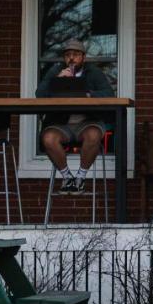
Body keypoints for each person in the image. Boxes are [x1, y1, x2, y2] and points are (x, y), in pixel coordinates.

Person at [36, 38, 114, 194]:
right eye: (68, 55)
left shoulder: (94, 72)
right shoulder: (55, 71)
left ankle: (80, 178)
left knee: (93, 135)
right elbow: (40, 95)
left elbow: (109, 94)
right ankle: (67, 177)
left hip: (87, 121)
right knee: (48, 139)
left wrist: (88, 94)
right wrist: (57, 80)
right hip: (61, 124)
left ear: (83, 57)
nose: (71, 58)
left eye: (76, 54)